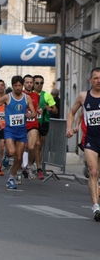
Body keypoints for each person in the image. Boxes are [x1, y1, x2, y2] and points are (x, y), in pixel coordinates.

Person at [66, 67, 100, 221]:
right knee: (93, 171)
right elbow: (72, 112)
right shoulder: (83, 96)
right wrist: (69, 128)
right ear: (90, 80)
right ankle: (95, 207)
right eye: (96, 78)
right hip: (91, 140)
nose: (99, 81)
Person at [0, 75, 36, 190]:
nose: (17, 88)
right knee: (11, 152)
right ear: (12, 86)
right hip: (10, 130)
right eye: (15, 85)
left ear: (22, 86)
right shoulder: (7, 97)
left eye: (19, 85)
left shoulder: (27, 98)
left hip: (21, 131)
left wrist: (31, 114)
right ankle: (6, 153)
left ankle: (11, 178)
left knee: (18, 157)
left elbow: (34, 113)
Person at [33, 75, 58, 179]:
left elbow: (56, 110)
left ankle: (32, 163)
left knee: (39, 147)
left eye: (41, 83)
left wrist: (50, 109)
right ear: (34, 84)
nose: (39, 85)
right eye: (37, 83)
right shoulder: (30, 95)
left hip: (44, 123)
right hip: (33, 123)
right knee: (37, 145)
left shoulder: (47, 95)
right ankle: (39, 169)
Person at [21, 74, 41, 180]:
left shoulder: (36, 95)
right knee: (24, 147)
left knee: (31, 147)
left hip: (33, 123)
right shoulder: (20, 94)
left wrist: (39, 110)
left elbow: (37, 107)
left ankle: (28, 165)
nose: (29, 84)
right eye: (27, 82)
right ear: (23, 84)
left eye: (30, 82)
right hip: (22, 124)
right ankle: (24, 166)